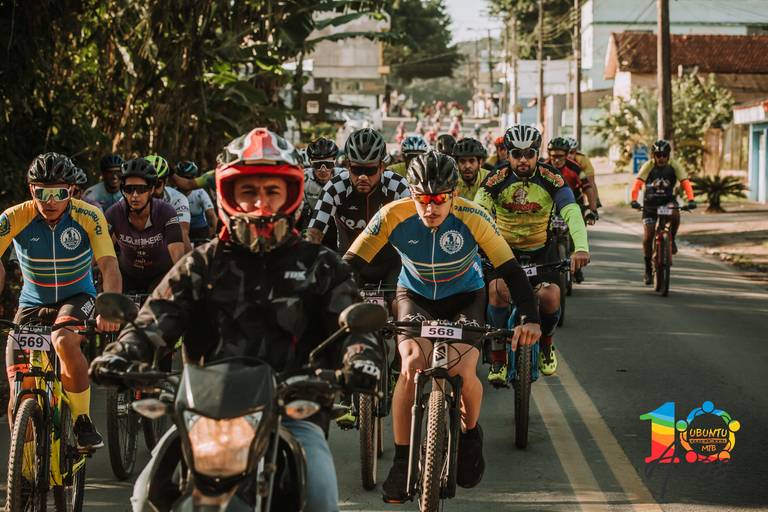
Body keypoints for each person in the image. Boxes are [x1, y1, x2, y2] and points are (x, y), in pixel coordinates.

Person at [90, 128, 382, 512]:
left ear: (292, 195)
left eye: (272, 191)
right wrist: (123, 352)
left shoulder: (321, 265)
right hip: (204, 413)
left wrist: (361, 356)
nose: (260, 202)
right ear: (228, 195)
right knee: (146, 495)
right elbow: (156, 316)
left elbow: (352, 324)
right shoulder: (202, 263)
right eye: (248, 191)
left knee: (320, 496)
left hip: (292, 415)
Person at [344, 150, 541, 502]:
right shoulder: (392, 215)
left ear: (453, 195)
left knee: (462, 370)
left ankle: (469, 435)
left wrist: (530, 317)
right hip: (415, 294)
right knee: (410, 367)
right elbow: (349, 265)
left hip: (466, 295)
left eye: (438, 199)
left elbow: (510, 270)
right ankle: (402, 461)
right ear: (412, 194)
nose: (430, 207)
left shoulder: (474, 216)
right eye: (422, 199)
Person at [0, 153, 121, 448]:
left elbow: (109, 265)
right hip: (32, 302)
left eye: (59, 193)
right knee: (20, 391)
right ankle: (25, 462)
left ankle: (82, 420)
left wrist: (109, 308)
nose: (50, 201)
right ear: (32, 190)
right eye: (42, 193)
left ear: (71, 190)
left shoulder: (89, 215)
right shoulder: (13, 217)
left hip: (77, 296)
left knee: (63, 340)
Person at [474, 125, 590, 380]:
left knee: (550, 297)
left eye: (530, 153)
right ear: (508, 154)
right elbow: (478, 211)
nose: (523, 159)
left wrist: (581, 247)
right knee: (497, 293)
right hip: (504, 252)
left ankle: (547, 343)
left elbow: (571, 210)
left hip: (542, 252)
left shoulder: (551, 177)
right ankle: (498, 357)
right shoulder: (496, 178)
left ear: (538, 154)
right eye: (517, 154)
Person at [306, 128, 410, 286]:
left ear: (382, 167)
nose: (363, 177)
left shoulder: (397, 186)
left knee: (398, 298)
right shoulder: (335, 187)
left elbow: (415, 232)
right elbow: (314, 233)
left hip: (391, 264)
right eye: (356, 170)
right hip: (350, 262)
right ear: (348, 165)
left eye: (370, 170)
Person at [105, 158, 185, 294]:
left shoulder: (166, 212)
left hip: (160, 276)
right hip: (126, 275)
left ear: (151, 189)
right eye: (129, 189)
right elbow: (103, 253)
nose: (135, 195)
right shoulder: (113, 213)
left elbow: (177, 257)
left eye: (141, 189)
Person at [630, 139, 696, 284]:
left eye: (664, 155)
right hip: (650, 204)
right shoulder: (648, 166)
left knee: (675, 213)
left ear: (668, 155)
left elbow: (685, 182)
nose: (661, 158)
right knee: (648, 236)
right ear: (653, 155)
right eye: (658, 155)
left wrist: (691, 199)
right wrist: (634, 200)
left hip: (667, 202)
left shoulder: (674, 165)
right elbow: (638, 183)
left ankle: (672, 239)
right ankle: (648, 269)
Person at [144, 155, 192, 253]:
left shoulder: (178, 199)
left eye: (157, 184)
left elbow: (182, 233)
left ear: (166, 182)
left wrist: (190, 261)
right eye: (147, 185)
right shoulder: (128, 198)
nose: (152, 191)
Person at [302, 137, 342, 250]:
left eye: (328, 164)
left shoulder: (344, 176)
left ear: (335, 162)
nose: (323, 170)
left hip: (337, 222)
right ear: (310, 163)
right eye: (317, 165)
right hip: (311, 219)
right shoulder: (303, 178)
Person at [174, 161, 217, 241]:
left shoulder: (200, 193)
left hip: (200, 231)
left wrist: (216, 232)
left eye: (190, 178)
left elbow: (211, 214)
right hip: (180, 231)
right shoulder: (172, 194)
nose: (186, 181)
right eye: (183, 178)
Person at [566, 136, 602, 208]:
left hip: (577, 185)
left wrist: (594, 201)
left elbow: (590, 181)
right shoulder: (556, 159)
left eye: (572, 152)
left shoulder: (582, 159)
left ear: (576, 152)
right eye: (566, 153)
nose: (569, 155)